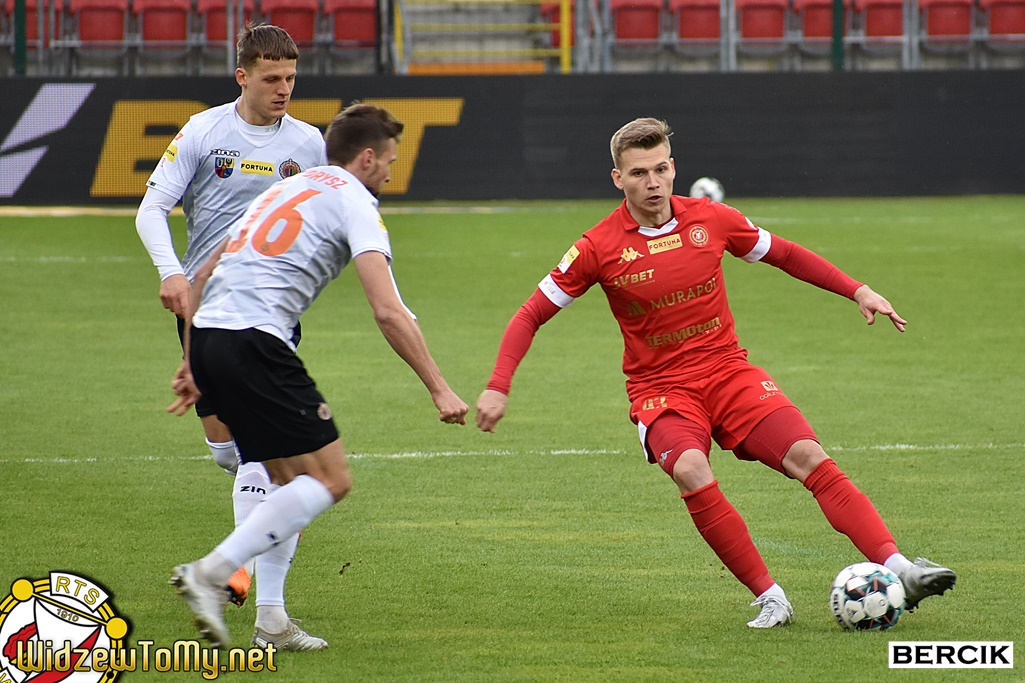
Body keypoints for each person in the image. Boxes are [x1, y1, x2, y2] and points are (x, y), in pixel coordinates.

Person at [475, 117, 956, 628]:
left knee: (808, 455)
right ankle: (770, 596)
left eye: (661, 169)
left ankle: (900, 569)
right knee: (690, 468)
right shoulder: (598, 246)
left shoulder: (712, 219)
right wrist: (498, 386)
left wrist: (857, 289)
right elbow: (530, 314)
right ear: (618, 179)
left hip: (729, 374)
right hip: (662, 391)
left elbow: (785, 254)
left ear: (673, 167)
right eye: (639, 173)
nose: (653, 182)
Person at [167, 103, 469, 648]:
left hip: (212, 336)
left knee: (283, 480)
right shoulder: (356, 202)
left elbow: (206, 269)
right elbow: (388, 311)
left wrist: (193, 359)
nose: (390, 173)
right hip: (257, 343)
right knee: (331, 480)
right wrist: (439, 387)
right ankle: (212, 572)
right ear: (367, 157)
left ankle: (272, 621)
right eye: (389, 161)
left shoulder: (284, 189)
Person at [135, 24, 329, 648]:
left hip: (270, 311)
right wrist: (171, 272)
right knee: (234, 453)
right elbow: (151, 208)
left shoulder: (308, 143)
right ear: (242, 76)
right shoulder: (203, 131)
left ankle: (265, 610)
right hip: (203, 308)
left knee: (261, 455)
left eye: (291, 78)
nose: (283, 89)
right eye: (271, 78)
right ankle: (241, 572)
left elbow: (322, 217)